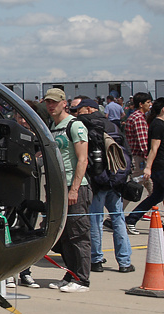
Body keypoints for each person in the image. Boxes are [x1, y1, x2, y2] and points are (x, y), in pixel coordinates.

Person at [75, 99, 133, 274]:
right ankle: (124, 262)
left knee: (95, 221)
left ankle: (96, 259)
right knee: (118, 220)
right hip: (115, 180)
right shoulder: (113, 126)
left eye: (80, 109)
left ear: (88, 109)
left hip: (96, 180)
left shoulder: (83, 126)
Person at [43, 88, 91, 292]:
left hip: (75, 187)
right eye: (48, 102)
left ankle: (82, 279)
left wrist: (75, 189)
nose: (51, 105)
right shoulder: (52, 126)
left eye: (55, 102)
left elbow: (82, 159)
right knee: (64, 235)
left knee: (78, 234)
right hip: (58, 187)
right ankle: (71, 273)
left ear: (65, 103)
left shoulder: (75, 125)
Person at [125, 98, 164, 231]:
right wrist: (148, 167)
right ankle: (131, 219)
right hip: (160, 165)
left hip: (159, 165)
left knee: (157, 196)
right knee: (156, 195)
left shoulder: (158, 123)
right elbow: (153, 148)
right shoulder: (158, 125)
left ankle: (132, 218)